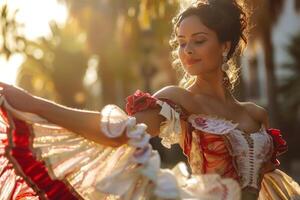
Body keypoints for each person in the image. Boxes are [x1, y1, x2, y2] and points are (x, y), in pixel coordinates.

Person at [0, 0, 299, 199]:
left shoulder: (256, 115)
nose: (187, 51)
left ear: (225, 45)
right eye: (181, 42)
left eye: (199, 40)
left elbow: (268, 185)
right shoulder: (177, 99)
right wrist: (35, 104)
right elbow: (119, 133)